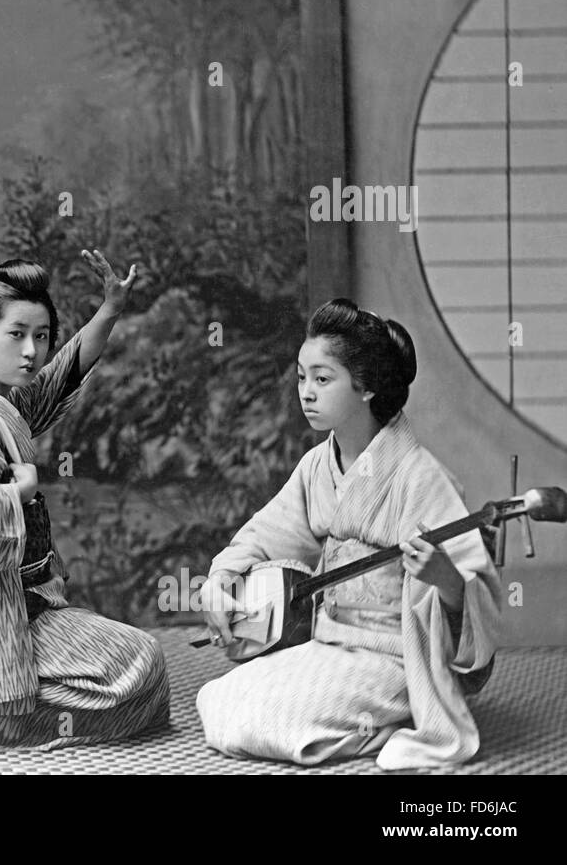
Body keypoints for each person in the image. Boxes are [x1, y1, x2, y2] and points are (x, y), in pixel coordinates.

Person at [195, 298, 500, 769]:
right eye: (301, 377)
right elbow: (266, 535)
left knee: (272, 720)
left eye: (322, 378)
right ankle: (373, 722)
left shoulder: (419, 475)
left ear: (366, 387)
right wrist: (221, 581)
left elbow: (474, 585)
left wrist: (446, 580)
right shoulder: (318, 465)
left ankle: (401, 716)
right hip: (331, 643)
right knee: (220, 700)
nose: (306, 392)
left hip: (396, 656)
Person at [0, 252, 170, 748]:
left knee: (146, 680)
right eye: (16, 335)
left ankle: (5, 704)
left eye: (41, 335)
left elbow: (66, 370)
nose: (31, 351)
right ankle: (1, 709)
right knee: (143, 663)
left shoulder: (2, 400)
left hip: (31, 601)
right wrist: (20, 491)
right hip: (0, 614)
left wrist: (111, 307)